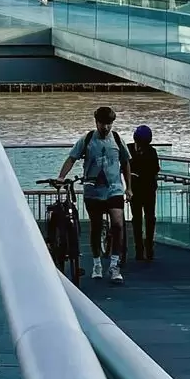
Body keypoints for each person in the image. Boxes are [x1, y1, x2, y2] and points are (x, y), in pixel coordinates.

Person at [57, 106, 132, 283]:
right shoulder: (87, 139)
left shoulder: (117, 139)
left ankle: (114, 266)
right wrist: (61, 176)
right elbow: (71, 158)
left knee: (118, 225)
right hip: (93, 190)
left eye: (109, 124)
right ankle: (97, 263)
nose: (106, 128)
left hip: (114, 189)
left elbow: (126, 162)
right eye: (102, 124)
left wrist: (129, 187)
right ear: (96, 122)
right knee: (96, 227)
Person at [127, 125, 160, 261]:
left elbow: (155, 169)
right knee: (139, 219)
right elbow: (156, 169)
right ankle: (140, 248)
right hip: (139, 189)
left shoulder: (148, 151)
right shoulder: (148, 151)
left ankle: (147, 246)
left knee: (148, 218)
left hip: (146, 189)